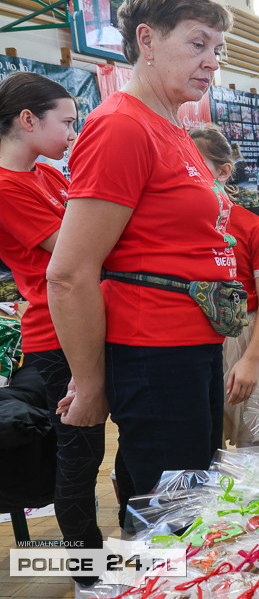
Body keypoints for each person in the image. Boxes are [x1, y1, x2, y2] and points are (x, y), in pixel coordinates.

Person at [46, 0, 235, 529]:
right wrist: (90, 381)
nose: (211, 62)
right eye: (198, 44)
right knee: (169, 525)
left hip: (192, 346)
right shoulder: (122, 127)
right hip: (156, 355)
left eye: (217, 50)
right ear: (147, 40)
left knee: (191, 507)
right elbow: (70, 272)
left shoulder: (175, 126)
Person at [0, 72, 105, 589]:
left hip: (93, 319)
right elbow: (79, 242)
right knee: (79, 453)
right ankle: (88, 570)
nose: (72, 132)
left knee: (101, 446)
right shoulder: (5, 187)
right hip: (56, 333)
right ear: (27, 120)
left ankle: (129, 550)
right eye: (66, 123)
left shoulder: (46, 174)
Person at [190, 125, 259, 447]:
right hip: (192, 339)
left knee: (253, 442)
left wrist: (251, 359)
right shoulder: (181, 225)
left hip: (244, 340)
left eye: (196, 164)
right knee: (204, 443)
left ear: (223, 171)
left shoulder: (252, 228)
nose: (187, 173)